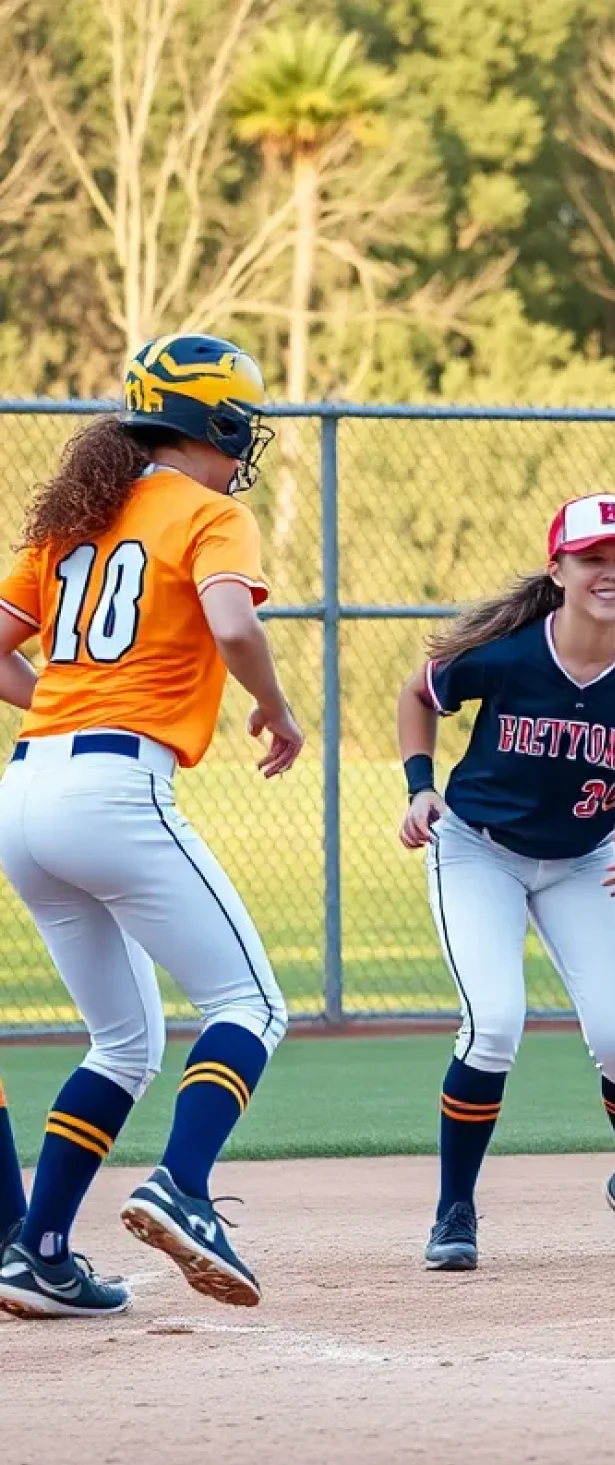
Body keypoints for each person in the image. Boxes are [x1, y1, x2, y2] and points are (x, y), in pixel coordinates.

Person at [0, 333, 304, 1320]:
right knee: (250, 1006)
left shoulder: (75, 517)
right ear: (211, 425)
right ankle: (182, 1187)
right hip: (114, 792)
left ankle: (38, 1257)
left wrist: (62, 698)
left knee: (123, 1042)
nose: (242, 444)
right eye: (237, 426)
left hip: (27, 794)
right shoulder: (210, 512)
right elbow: (232, 625)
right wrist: (276, 708)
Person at [397, 492, 615, 1275]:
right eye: (593, 558)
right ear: (559, 568)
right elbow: (417, 694)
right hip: (479, 850)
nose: (612, 573)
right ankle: (454, 1211)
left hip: (586, 861)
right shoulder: (508, 652)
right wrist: (419, 785)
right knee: (495, 1024)